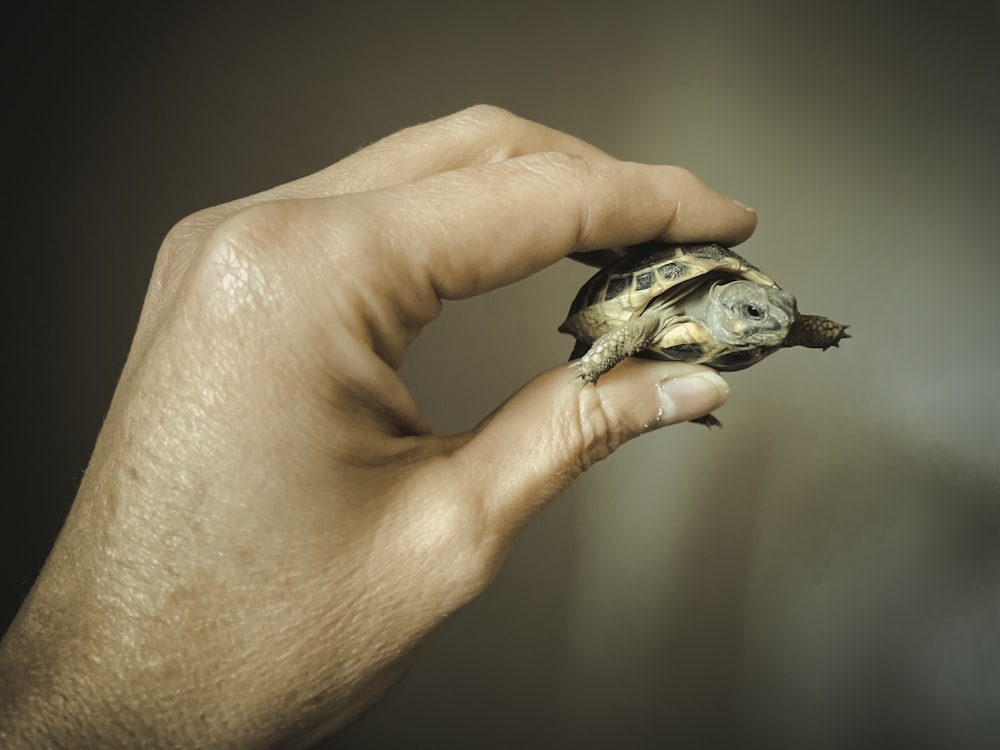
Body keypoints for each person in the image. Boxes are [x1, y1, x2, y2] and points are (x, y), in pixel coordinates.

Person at [0, 105, 756, 747]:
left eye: (765, 313)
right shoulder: (660, 306)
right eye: (754, 312)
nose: (767, 320)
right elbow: (637, 320)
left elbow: (772, 315)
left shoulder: (755, 307)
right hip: (630, 320)